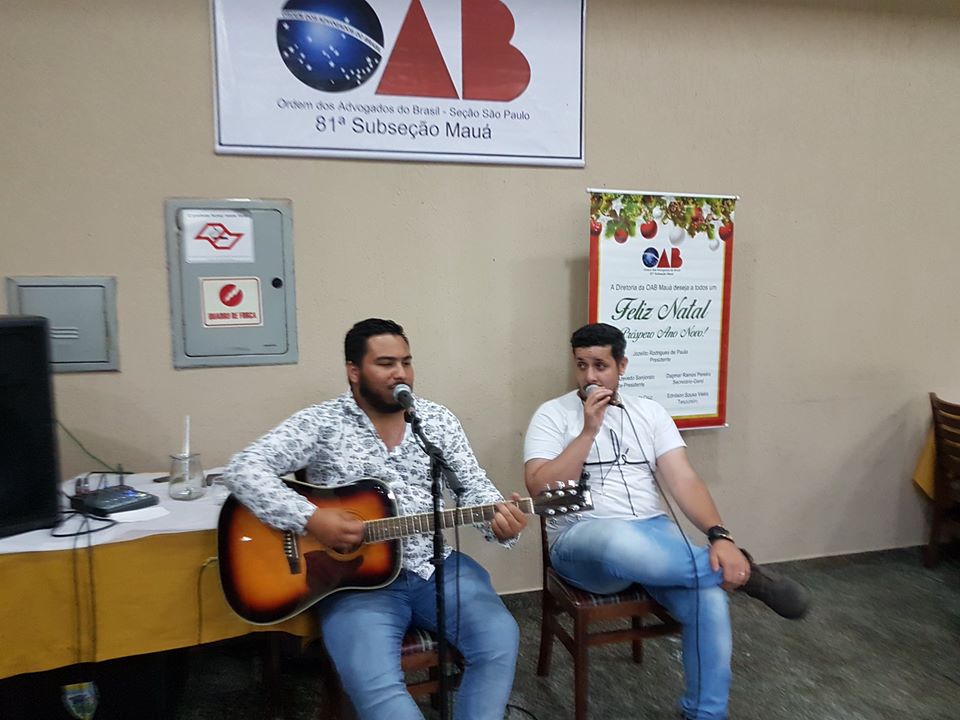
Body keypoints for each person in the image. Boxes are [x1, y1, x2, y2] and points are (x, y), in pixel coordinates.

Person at [224, 318, 527, 720]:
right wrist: (311, 519)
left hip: (435, 566)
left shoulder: (436, 421)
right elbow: (243, 469)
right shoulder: (322, 422)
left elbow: (472, 486)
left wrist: (499, 521)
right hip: (356, 584)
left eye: (406, 362)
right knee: (376, 684)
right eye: (386, 363)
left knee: (499, 638)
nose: (400, 373)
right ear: (354, 371)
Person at [523, 322, 810, 720]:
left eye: (601, 365)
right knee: (619, 542)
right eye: (581, 365)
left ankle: (704, 713)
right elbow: (539, 487)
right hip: (581, 539)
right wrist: (588, 431)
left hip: (652, 537)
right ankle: (745, 575)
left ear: (622, 366)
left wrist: (720, 536)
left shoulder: (650, 413)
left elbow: (684, 481)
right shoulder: (552, 415)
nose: (590, 376)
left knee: (708, 601)